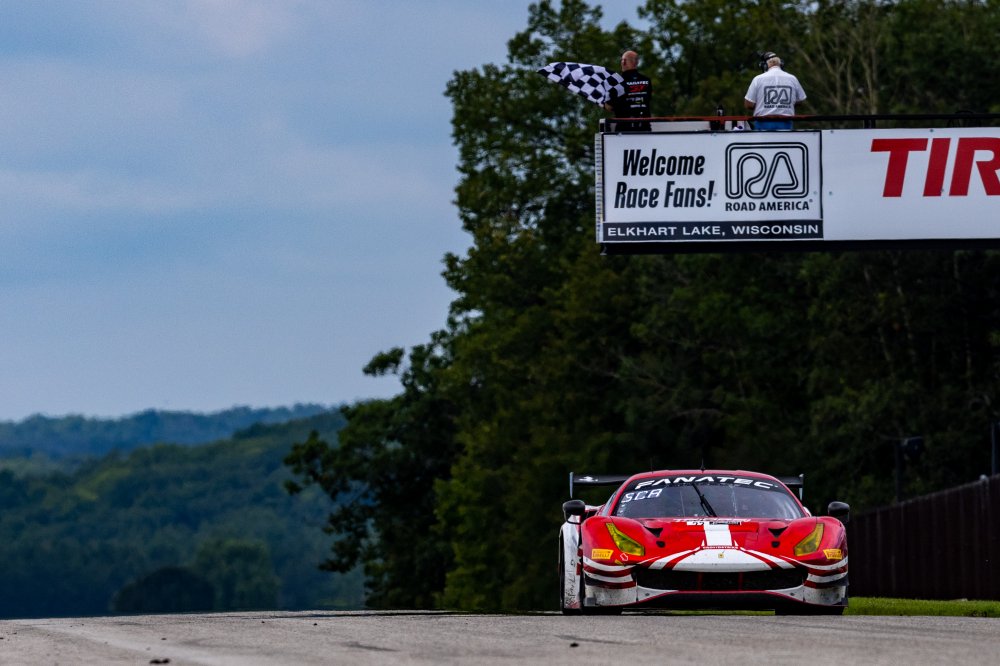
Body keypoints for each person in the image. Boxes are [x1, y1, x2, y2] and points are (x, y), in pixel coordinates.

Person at [743, 52, 806, 130]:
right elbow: (800, 101)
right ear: (781, 64)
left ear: (764, 66)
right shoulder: (792, 79)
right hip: (786, 123)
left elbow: (748, 104)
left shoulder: (757, 79)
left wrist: (763, 105)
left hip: (762, 123)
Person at [605, 50, 651, 132]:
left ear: (624, 62)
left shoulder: (617, 82)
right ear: (637, 62)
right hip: (644, 128)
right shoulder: (647, 80)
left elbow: (610, 107)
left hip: (623, 130)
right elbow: (647, 99)